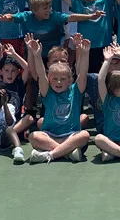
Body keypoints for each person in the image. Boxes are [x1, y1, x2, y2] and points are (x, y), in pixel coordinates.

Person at [26, 36, 91, 164]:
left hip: (71, 135)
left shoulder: (75, 91)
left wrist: (85, 53)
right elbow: (40, 73)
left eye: (62, 79)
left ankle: (50, 154)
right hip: (50, 135)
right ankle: (67, 153)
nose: (59, 82)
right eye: (55, 79)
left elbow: (82, 74)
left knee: (85, 135)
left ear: (69, 80)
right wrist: (37, 55)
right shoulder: (47, 92)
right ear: (49, 80)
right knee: (33, 136)